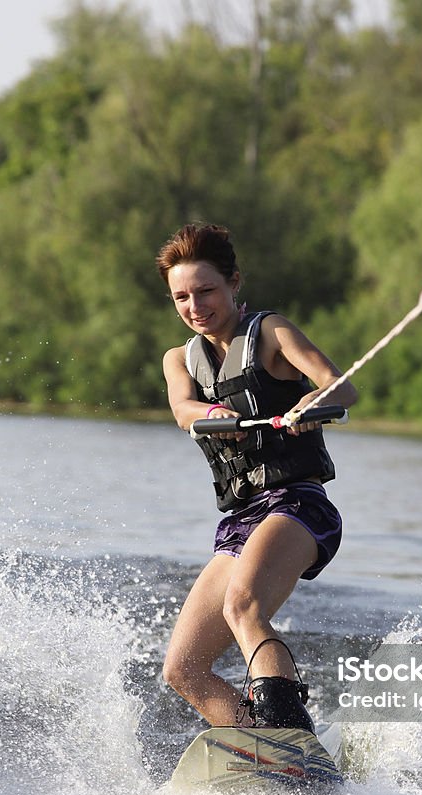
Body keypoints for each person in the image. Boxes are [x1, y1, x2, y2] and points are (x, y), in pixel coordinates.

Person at [157, 223, 357, 732]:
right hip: (241, 522)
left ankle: (288, 737)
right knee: (183, 668)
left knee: (242, 605)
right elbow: (183, 409)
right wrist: (207, 412)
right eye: (182, 296)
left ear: (234, 283)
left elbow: (342, 387)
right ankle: (256, 742)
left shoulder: (270, 332)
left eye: (206, 290)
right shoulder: (179, 360)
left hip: (297, 506)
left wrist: (316, 402)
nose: (195, 305)